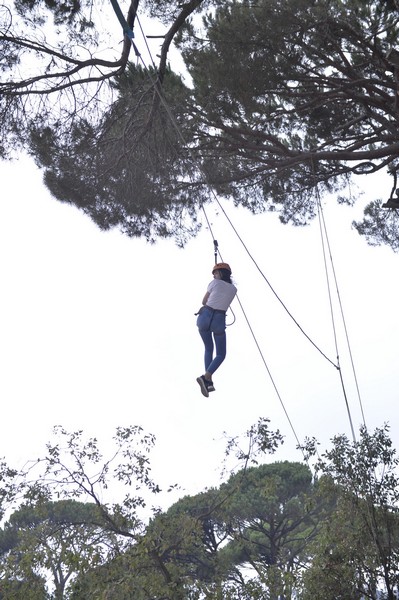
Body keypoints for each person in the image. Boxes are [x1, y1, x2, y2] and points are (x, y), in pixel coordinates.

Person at [196, 262, 237, 397]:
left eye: (215, 273)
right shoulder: (233, 289)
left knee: (208, 348)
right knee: (220, 354)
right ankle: (207, 377)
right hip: (218, 319)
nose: (214, 275)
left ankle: (207, 378)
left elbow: (204, 301)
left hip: (204, 317)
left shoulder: (213, 283)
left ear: (220, 273)